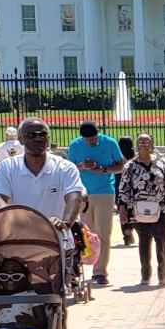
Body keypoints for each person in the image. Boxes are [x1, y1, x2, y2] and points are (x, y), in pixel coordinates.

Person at [0, 116, 84, 232]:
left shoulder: (65, 168)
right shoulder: (7, 167)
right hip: (19, 239)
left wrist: (65, 223)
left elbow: (74, 198)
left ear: (48, 138)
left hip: (57, 240)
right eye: (31, 135)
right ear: (20, 140)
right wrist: (13, 220)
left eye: (42, 134)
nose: (38, 139)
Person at [117, 132, 165, 287]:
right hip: (138, 210)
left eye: (147, 142)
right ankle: (145, 274)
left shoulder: (162, 165)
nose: (143, 144)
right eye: (140, 142)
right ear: (136, 145)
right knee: (144, 241)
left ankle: (162, 274)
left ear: (152, 144)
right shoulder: (130, 167)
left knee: (161, 239)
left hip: (161, 208)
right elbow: (123, 188)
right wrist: (123, 208)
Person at [68, 121, 125, 286]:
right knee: (86, 234)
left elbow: (121, 166)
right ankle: (82, 268)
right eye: (86, 140)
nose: (89, 143)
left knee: (103, 233)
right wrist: (82, 166)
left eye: (92, 140)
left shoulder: (109, 142)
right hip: (83, 193)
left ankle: (100, 271)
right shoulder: (75, 144)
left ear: (97, 134)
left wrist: (104, 169)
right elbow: (70, 169)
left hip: (105, 191)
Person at [116, 136, 137, 247]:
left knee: (122, 211)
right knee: (134, 211)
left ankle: (126, 235)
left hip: (119, 187)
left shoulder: (118, 158)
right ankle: (131, 228)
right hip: (133, 189)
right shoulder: (133, 158)